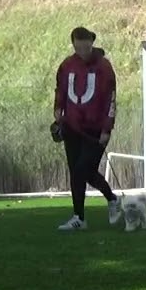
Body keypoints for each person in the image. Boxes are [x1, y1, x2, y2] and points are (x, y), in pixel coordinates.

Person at [53, 26, 121, 231]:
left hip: (95, 130)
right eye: (78, 44)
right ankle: (79, 217)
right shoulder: (66, 65)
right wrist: (57, 110)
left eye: (85, 44)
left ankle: (110, 199)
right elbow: (60, 90)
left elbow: (111, 99)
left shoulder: (104, 67)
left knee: (84, 169)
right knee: (78, 172)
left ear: (92, 42)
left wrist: (106, 129)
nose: (82, 48)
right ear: (73, 44)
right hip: (72, 127)